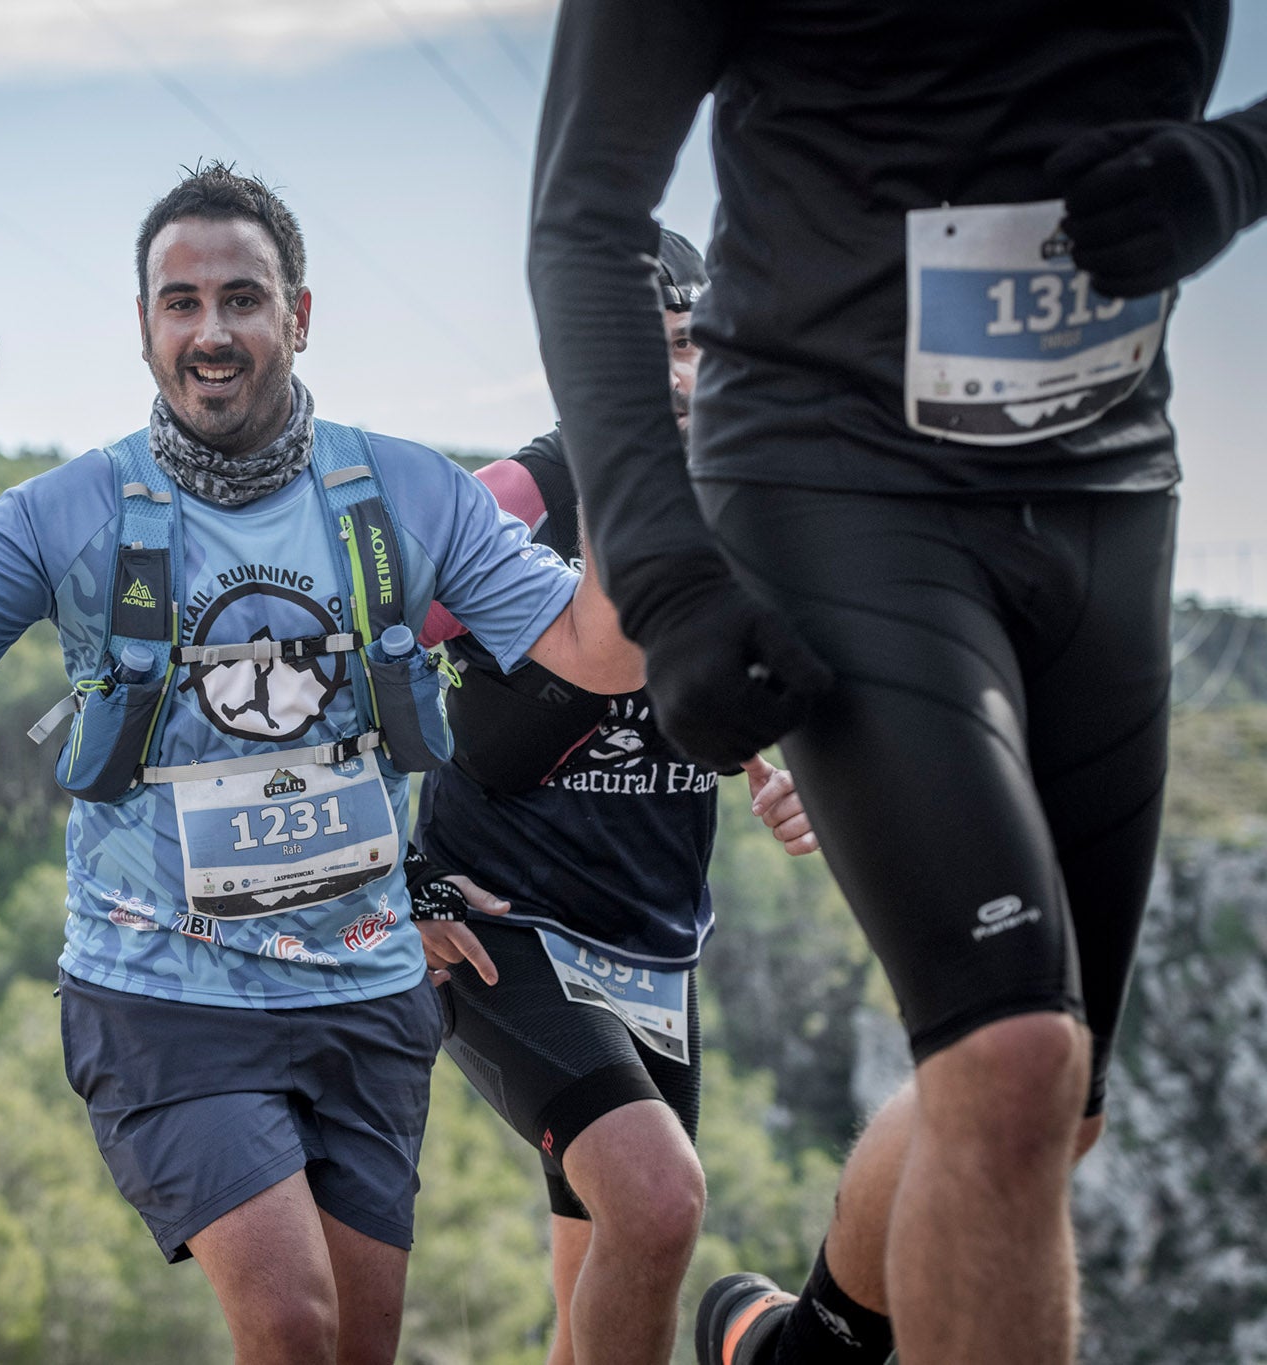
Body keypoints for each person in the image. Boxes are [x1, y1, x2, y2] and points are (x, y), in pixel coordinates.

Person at [527, 6, 1267, 1365]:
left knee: (1060, 1101)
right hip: (835, 472)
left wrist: (1241, 163)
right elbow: (586, 216)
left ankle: (805, 1346)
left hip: (1107, 488)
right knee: (1010, 1060)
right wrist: (668, 572)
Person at [0, 163, 641, 1364]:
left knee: (350, 1346)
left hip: (363, 993)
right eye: (180, 302)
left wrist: (634, 469)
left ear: (297, 316)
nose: (210, 331)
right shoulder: (70, 509)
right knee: (291, 1321)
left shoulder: (412, 493)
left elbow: (598, 655)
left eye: (241, 300)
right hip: (161, 994)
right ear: (144, 325)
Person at [407, 228, 817, 1365]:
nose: (674, 376)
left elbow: (802, 680)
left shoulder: (760, 507)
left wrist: (803, 777)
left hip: (653, 945)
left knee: (594, 1285)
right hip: (499, 928)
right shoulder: (511, 502)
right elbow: (333, 661)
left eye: (691, 344)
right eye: (639, 353)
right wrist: (392, 879)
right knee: (656, 1202)